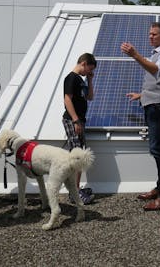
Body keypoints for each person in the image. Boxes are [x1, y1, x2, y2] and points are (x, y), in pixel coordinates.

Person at [121, 22, 160, 211]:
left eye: (154, 34)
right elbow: (156, 81)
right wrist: (141, 95)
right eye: (149, 34)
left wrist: (135, 55)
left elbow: (157, 70)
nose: (150, 37)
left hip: (159, 106)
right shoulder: (154, 54)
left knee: (158, 148)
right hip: (151, 103)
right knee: (158, 147)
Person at [61, 52, 96, 204]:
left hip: (79, 121)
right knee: (77, 156)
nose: (90, 72)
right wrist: (75, 121)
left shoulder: (80, 80)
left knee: (80, 155)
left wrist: (89, 79)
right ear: (84, 63)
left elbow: (89, 97)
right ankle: (73, 193)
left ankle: (75, 188)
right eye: (89, 69)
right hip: (73, 121)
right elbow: (67, 99)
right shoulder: (71, 78)